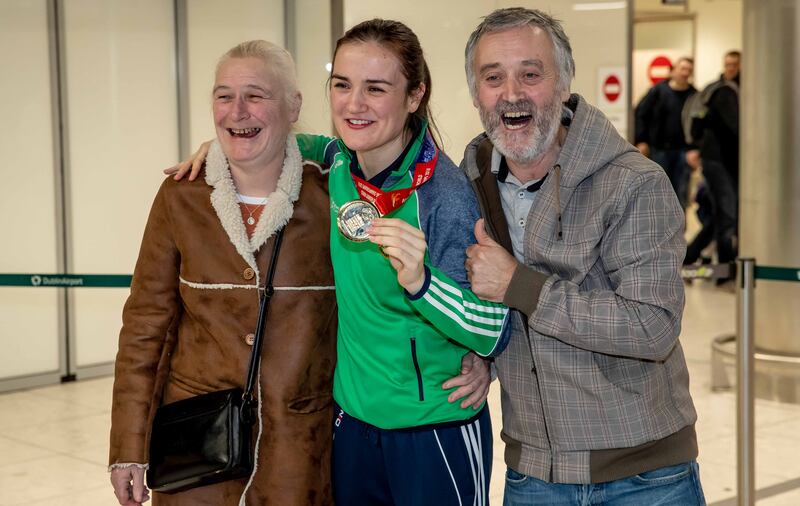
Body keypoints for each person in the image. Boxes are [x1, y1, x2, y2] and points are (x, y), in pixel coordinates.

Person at [170, 20, 509, 506]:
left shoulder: (445, 197)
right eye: (343, 85)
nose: (354, 105)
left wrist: (422, 284)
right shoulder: (338, 163)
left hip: (434, 428)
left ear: (415, 96)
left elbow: (494, 329)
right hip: (352, 427)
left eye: (376, 88)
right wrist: (221, 150)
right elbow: (285, 142)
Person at [461, 8, 705, 504]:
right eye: (493, 78)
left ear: (564, 83)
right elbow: (474, 290)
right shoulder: (474, 173)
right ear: (475, 93)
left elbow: (652, 327)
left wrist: (519, 285)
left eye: (531, 74)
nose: (511, 94)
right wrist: (482, 352)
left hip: (644, 477)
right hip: (533, 475)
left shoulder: (634, 183)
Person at [109, 40, 338, 505]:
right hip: (197, 449)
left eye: (256, 95)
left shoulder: (332, 197)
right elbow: (144, 328)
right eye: (223, 95)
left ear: (293, 105)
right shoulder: (180, 196)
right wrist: (127, 447)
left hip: (299, 454)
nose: (237, 110)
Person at [693, 50, 740, 274]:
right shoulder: (722, 92)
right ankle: (725, 271)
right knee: (727, 215)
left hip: (727, 163)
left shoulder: (737, 90)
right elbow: (736, 127)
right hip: (717, 161)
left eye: (735, 65)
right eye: (728, 64)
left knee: (719, 216)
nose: (731, 68)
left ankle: (690, 256)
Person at [635, 56, 698, 208]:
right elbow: (640, 114)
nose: (685, 73)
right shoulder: (657, 91)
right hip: (659, 150)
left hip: (683, 152)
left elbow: (699, 125)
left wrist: (695, 148)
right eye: (682, 69)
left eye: (688, 70)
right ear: (674, 70)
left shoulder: (694, 95)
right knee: (659, 192)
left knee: (680, 193)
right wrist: (641, 140)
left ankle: (679, 231)